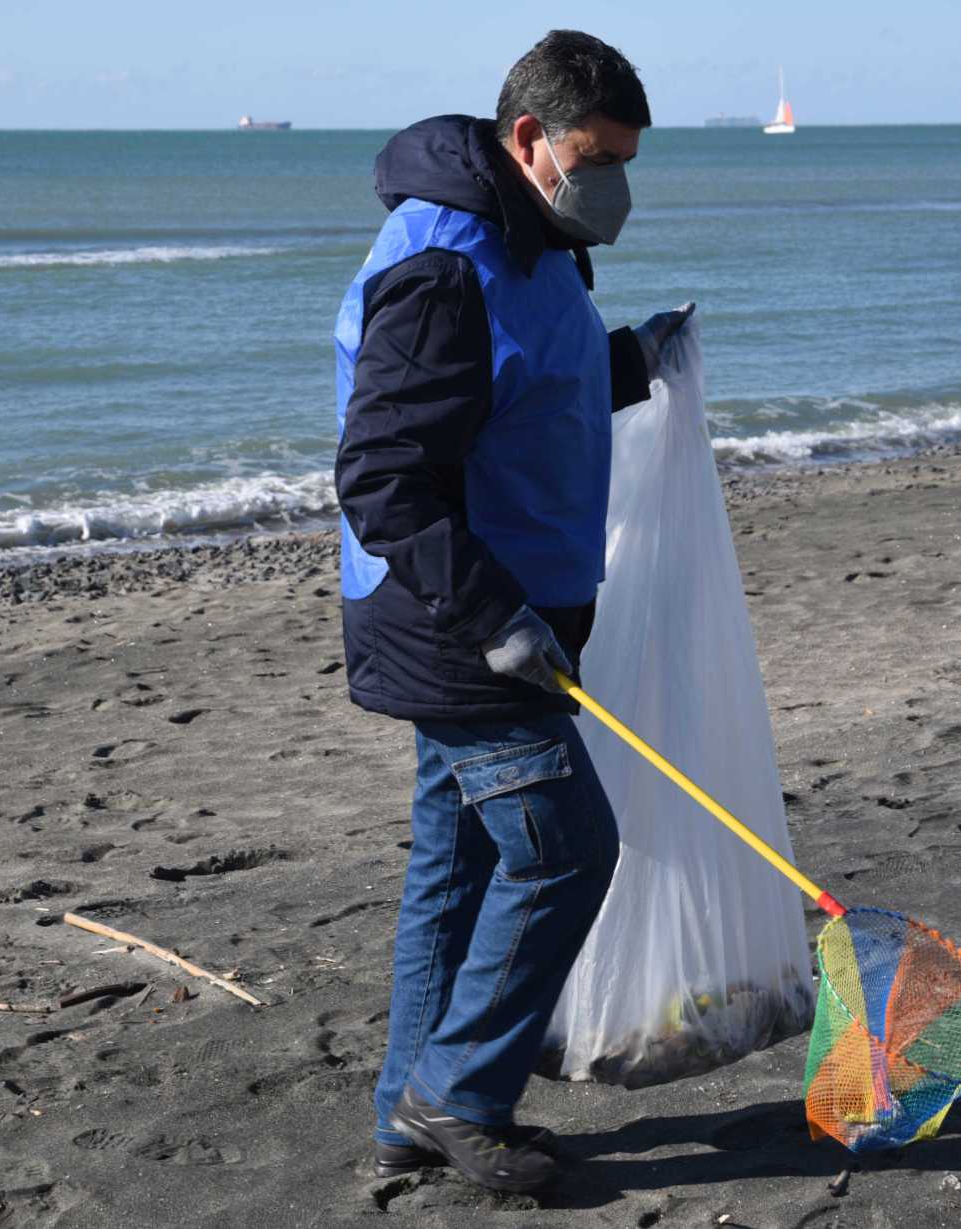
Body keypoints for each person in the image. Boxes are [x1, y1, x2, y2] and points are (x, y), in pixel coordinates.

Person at [332, 29, 694, 1194]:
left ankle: (407, 1110)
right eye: (598, 157)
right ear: (529, 139)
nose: (615, 187)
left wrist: (634, 362)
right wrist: (495, 616)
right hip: (457, 627)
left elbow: (536, 385)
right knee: (564, 850)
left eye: (628, 161)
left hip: (521, 610)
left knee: (462, 870)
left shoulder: (535, 238)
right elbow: (384, 475)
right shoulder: (443, 263)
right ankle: (460, 1095)